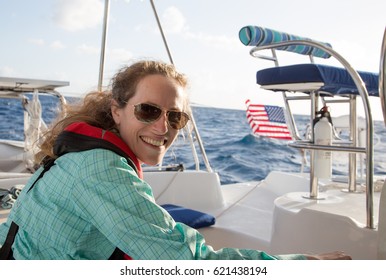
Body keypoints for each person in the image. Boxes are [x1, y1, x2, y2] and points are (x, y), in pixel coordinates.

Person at [0, 60, 351, 260]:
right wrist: (304, 264)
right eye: (149, 110)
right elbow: (185, 263)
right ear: (117, 111)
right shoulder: (100, 168)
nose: (163, 127)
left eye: (175, 117)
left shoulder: (92, 154)